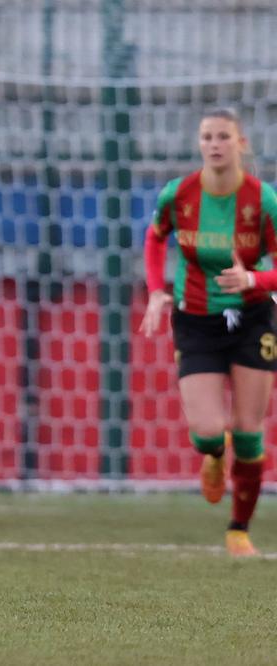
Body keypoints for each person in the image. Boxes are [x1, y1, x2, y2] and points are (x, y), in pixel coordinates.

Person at [140, 107, 277, 557]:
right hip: (197, 319)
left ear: (241, 144)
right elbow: (155, 236)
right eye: (207, 136)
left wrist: (254, 280)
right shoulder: (179, 194)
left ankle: (239, 529)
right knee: (207, 432)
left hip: (253, 319)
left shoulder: (263, 200)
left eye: (223, 136)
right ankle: (215, 455)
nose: (214, 144)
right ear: (199, 144)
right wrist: (157, 291)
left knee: (251, 431)